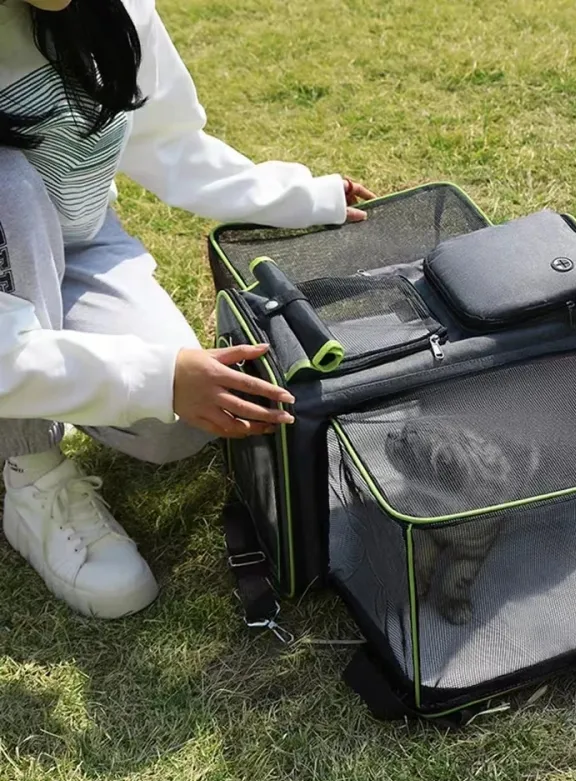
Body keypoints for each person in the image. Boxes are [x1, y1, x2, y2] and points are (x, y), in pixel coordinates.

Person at [0, 0, 375, 619]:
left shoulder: (116, 9)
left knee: (172, 426)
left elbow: (169, 142)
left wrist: (302, 197)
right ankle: (29, 466)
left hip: (80, 244)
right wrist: (159, 376)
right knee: (9, 183)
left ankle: (58, 360)